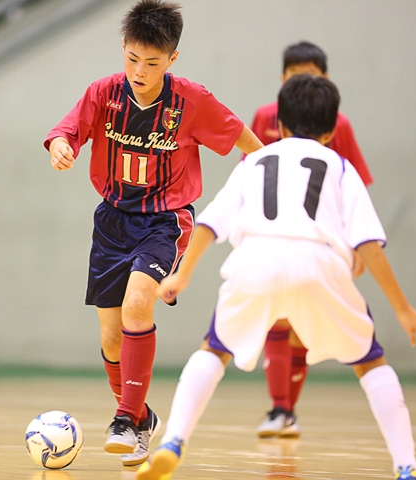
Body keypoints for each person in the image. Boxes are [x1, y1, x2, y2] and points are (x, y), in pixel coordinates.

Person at [136, 74, 416, 480]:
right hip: (319, 263)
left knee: (213, 351)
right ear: (330, 131)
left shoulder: (255, 161)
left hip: (255, 259)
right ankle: (407, 466)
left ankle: (173, 441)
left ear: (279, 125)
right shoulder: (339, 166)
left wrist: (181, 275)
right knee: (371, 363)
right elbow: (367, 244)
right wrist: (402, 308)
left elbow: (209, 222)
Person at [43, 0, 263, 468]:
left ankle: (124, 418)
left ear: (172, 59)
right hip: (112, 221)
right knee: (111, 339)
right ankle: (141, 420)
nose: (140, 71)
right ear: (123, 48)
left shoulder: (191, 101)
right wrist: (61, 146)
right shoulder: (103, 93)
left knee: (138, 303)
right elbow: (67, 131)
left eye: (152, 63)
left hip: (165, 220)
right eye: (133, 59)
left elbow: (244, 139)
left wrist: (272, 174)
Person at [250, 41, 374, 438]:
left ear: (326, 80)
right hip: (273, 235)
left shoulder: (339, 124)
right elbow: (250, 176)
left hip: (321, 240)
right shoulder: (266, 117)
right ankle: (280, 408)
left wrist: (356, 243)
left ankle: (286, 409)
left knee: (303, 324)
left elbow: (356, 186)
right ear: (282, 79)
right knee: (276, 316)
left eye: (311, 75)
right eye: (295, 75)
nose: (303, 82)